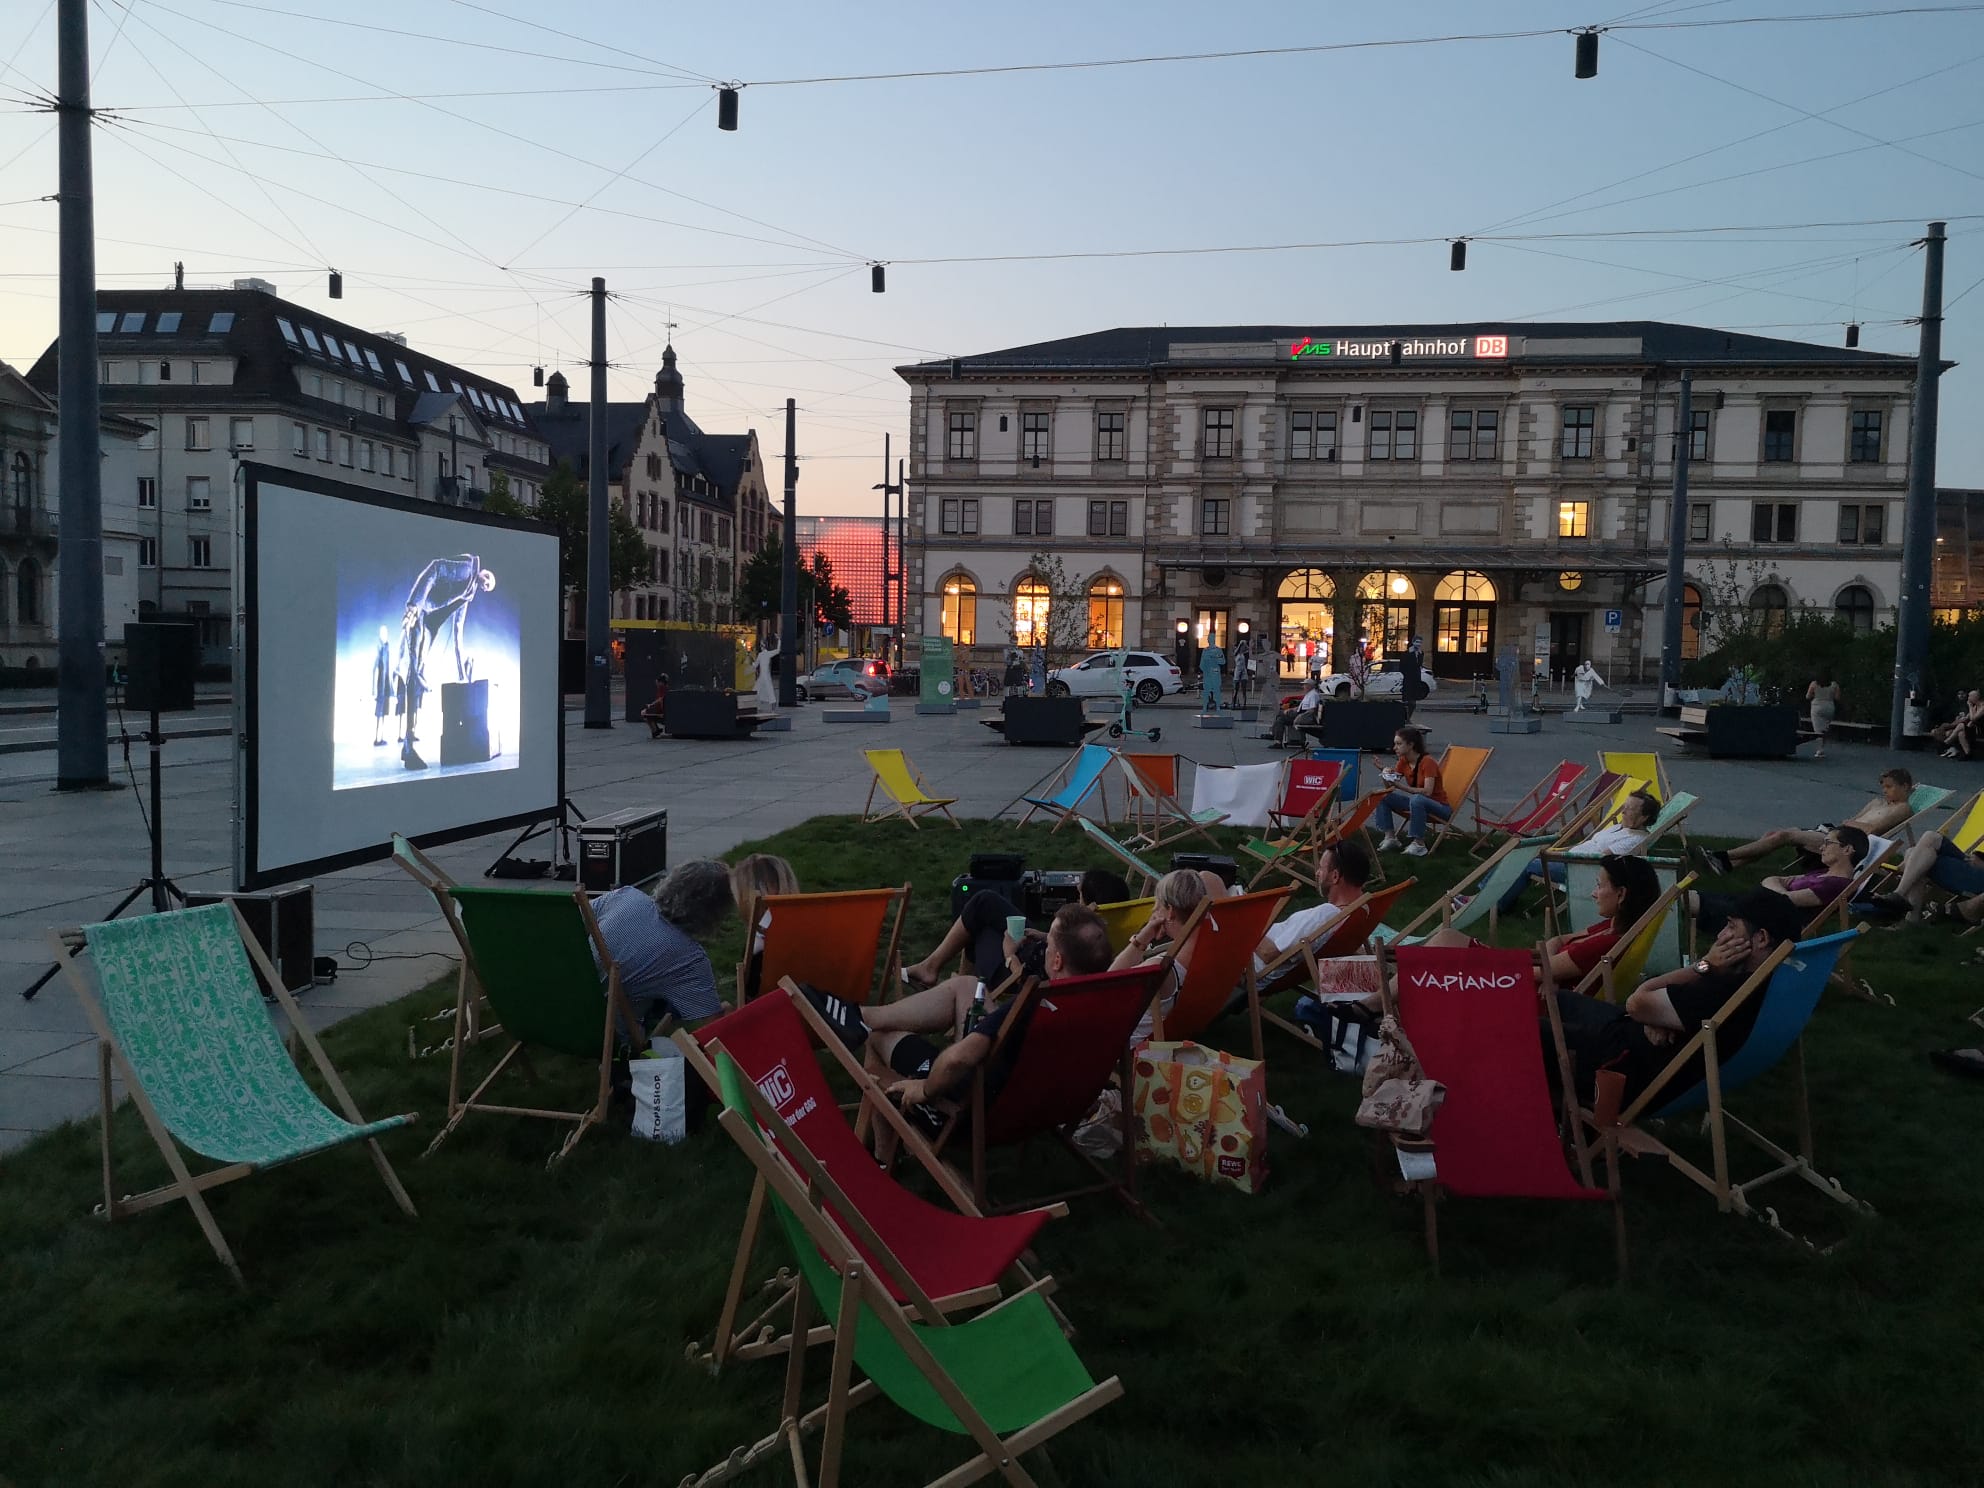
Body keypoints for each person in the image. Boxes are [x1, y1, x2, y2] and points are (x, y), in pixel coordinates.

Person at [808, 905, 1116, 1132]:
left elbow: (956, 1060)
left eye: (1048, 944)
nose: (1044, 948)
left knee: (878, 1037)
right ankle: (861, 1015)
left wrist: (924, 1089)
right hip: (1039, 1102)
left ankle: (884, 1153)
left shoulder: (1031, 1008)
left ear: (1057, 960)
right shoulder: (1106, 1003)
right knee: (969, 985)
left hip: (967, 1109)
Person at [1549, 887, 1805, 1103]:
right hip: (1647, 1037)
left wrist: (1704, 964)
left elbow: (1638, 1000)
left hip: (1626, 1066)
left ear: (1761, 938)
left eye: (1730, 926)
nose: (1720, 935)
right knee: (1562, 1000)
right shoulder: (1774, 984)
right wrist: (1656, 1018)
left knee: (1533, 1033)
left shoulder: (1725, 991)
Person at [899, 868, 1131, 992]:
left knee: (979, 922)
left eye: (1080, 896)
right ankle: (950, 979)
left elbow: (1032, 986)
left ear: (1092, 905)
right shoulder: (1103, 937)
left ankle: (957, 987)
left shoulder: (1073, 962)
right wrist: (1046, 936)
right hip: (1040, 948)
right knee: (985, 902)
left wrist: (1009, 954)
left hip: (1016, 972)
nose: (1077, 899)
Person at [591, 859, 734, 1035]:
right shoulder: (690, 960)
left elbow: (573, 916)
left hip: (558, 1002)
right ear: (715, 910)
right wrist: (726, 1013)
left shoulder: (625, 896)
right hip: (606, 1034)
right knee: (674, 991)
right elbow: (714, 1027)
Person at [1693, 769, 1912, 875]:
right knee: (1774, 834)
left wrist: (1853, 825)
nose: (1885, 791)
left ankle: (1722, 856)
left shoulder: (1903, 809)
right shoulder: (1876, 803)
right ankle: (1727, 865)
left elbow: (1872, 829)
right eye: (1884, 786)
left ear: (1905, 787)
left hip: (1849, 845)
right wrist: (1853, 824)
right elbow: (1852, 820)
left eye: (1890, 787)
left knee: (1784, 836)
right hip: (1838, 833)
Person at [1481, 789, 1659, 915]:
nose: (1623, 810)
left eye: (1629, 809)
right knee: (1518, 854)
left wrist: (1555, 855)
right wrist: (1559, 851)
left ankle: (1496, 904)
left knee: (1525, 863)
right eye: (1625, 806)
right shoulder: (1619, 828)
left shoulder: (1636, 840)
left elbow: (1600, 860)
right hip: (1570, 859)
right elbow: (1588, 844)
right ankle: (1482, 895)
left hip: (1579, 870)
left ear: (1644, 817)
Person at [1690, 826, 1867, 937]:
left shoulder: (1836, 884)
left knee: (1683, 902)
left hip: (1756, 924)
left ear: (1847, 850)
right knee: (1687, 897)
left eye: (1828, 843)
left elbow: (1784, 900)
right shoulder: (1823, 874)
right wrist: (1777, 887)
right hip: (1750, 908)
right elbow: (1774, 880)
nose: (1821, 847)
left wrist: (1776, 888)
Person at [1255, 840, 1373, 971]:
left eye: (1321, 868)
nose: (1317, 873)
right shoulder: (1361, 910)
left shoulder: (1326, 914)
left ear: (1335, 876)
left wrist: (1243, 927)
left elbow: (1268, 954)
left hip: (1251, 961)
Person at [1874, 826, 1984, 923]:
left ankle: (1905, 906)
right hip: (1975, 865)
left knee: (1914, 855)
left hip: (1979, 879)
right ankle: (1901, 898)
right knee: (1930, 837)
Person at [730, 853, 800, 1000]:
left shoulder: (758, 949)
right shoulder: (816, 926)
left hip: (780, 1014)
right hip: (829, 1010)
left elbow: (752, 998)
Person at [1373, 727, 1448, 858]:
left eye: (1399, 744)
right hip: (1418, 804)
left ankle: (1419, 844)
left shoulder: (1427, 762)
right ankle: (1390, 838)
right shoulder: (1403, 761)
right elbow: (1390, 788)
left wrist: (1400, 786)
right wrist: (1385, 773)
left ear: (1411, 745)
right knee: (1383, 796)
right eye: (1395, 744)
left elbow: (1427, 792)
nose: (1394, 748)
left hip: (1440, 808)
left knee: (1417, 799)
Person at [1268, 674, 1327, 747]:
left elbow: (1312, 709)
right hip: (1300, 713)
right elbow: (1301, 706)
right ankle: (1276, 739)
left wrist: (1300, 716)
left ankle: (1275, 738)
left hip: (1303, 715)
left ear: (1309, 686)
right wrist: (1290, 709)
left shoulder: (1313, 695)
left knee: (1280, 716)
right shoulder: (1309, 694)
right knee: (1280, 718)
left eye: (1305, 685)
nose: (1303, 687)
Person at [369, 625, 393, 746]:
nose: (385, 635)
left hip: (385, 685)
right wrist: (373, 690)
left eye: (386, 633)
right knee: (379, 713)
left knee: (383, 712)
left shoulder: (386, 647)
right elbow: (375, 668)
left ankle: (380, 737)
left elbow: (387, 667)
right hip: (380, 687)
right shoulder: (379, 647)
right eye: (383, 633)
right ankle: (376, 738)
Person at [1399, 637, 1426, 719]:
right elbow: (1402, 667)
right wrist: (1407, 675)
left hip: (1416, 680)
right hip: (1408, 680)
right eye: (1417, 642)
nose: (1419, 644)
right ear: (1413, 642)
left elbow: (1419, 666)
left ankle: (1408, 718)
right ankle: (1403, 718)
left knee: (1413, 702)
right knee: (1407, 701)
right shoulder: (1406, 653)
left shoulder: (1421, 653)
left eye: (1420, 642)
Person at [641, 673, 671, 739]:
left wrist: (651, 705)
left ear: (661, 682)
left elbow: (660, 699)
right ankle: (656, 730)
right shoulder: (663, 687)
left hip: (661, 710)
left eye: (657, 682)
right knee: (645, 714)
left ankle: (655, 731)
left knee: (646, 714)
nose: (656, 683)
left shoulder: (662, 688)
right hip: (660, 709)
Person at [1199, 639, 1225, 713]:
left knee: (1216, 690)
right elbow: (1201, 663)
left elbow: (1223, 661)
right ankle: (1204, 708)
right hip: (1208, 672)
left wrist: (1216, 659)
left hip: (1215, 672)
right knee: (1206, 691)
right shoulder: (1205, 650)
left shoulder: (1219, 650)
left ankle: (1218, 707)